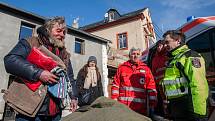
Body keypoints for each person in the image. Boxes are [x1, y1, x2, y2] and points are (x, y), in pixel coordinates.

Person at [4, 17, 78, 121]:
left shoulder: (64, 54)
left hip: (55, 112)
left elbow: (69, 76)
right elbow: (10, 60)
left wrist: (73, 97)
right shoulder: (31, 42)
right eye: (59, 31)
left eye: (64, 32)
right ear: (48, 30)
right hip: (30, 110)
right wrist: (39, 73)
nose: (62, 35)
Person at [162, 30, 209, 121]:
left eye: (167, 42)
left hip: (190, 109)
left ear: (178, 41)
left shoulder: (190, 56)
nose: (165, 45)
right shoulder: (175, 59)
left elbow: (199, 84)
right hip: (178, 109)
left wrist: (197, 113)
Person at [111, 47, 157, 116]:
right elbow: (115, 85)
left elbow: (151, 87)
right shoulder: (122, 68)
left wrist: (152, 104)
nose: (135, 56)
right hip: (124, 107)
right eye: (133, 54)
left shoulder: (146, 69)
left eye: (138, 54)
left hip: (141, 109)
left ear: (140, 56)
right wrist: (114, 100)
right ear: (129, 56)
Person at [151, 40, 169, 118]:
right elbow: (153, 72)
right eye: (157, 46)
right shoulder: (155, 59)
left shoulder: (168, 55)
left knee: (170, 100)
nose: (158, 47)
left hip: (170, 83)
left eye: (160, 46)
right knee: (164, 101)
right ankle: (167, 115)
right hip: (160, 84)